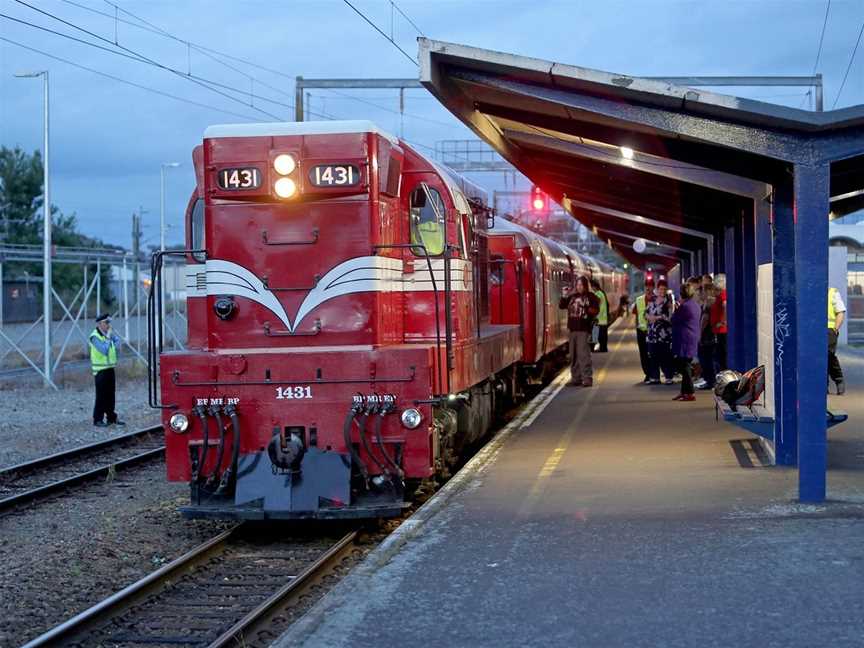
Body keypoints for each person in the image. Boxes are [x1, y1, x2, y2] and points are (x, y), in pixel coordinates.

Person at [560, 276, 600, 387]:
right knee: (573, 355)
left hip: (584, 329)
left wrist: (586, 308)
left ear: (586, 286)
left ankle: (587, 378)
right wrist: (564, 295)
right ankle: (576, 378)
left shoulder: (591, 297)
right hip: (572, 329)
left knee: (583, 355)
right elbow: (562, 305)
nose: (579, 287)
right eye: (577, 285)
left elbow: (596, 310)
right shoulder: (572, 297)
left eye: (581, 285)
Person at [90, 314, 125, 427]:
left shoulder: (107, 335)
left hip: (110, 368)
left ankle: (111, 418)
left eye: (109, 322)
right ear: (100, 324)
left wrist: (111, 339)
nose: (108, 325)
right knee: (101, 396)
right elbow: (104, 350)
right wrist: (109, 338)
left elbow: (118, 342)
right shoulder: (94, 337)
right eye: (106, 323)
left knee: (111, 395)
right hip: (100, 370)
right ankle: (97, 419)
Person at [671, 283, 701, 401]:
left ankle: (690, 393)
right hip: (691, 338)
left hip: (685, 339)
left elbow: (673, 319)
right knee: (685, 364)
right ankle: (684, 392)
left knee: (684, 365)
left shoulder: (685, 307)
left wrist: (676, 309)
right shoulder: (695, 305)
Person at [646, 279, 675, 384]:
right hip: (652, 333)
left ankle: (668, 377)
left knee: (665, 355)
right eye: (660, 289)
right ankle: (655, 377)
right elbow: (645, 313)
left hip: (664, 334)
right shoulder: (652, 300)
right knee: (653, 355)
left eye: (664, 289)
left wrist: (658, 317)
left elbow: (670, 317)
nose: (662, 291)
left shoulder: (668, 302)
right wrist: (649, 317)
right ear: (657, 289)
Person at [631, 280, 655, 383]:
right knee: (643, 354)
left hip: (654, 331)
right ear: (644, 288)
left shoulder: (657, 299)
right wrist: (637, 327)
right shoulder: (639, 300)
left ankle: (653, 374)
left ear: (653, 287)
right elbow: (636, 315)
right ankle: (647, 374)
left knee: (653, 354)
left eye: (650, 287)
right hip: (642, 331)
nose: (648, 289)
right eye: (647, 287)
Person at [828, 286, 847, 395]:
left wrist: (836, 328)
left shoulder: (832, 292)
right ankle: (823, 385)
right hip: (813, 330)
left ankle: (838, 379)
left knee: (828, 355)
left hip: (829, 330)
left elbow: (840, 312)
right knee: (817, 357)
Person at [710, 273, 728, 371]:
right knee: (719, 353)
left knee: (721, 353)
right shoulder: (719, 295)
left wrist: (722, 321)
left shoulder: (723, 294)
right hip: (718, 329)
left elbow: (725, 307)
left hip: (722, 330)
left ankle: (723, 372)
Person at [590, 278, 609, 353]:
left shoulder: (598, 294)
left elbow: (595, 304)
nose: (592, 288)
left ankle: (599, 348)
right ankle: (603, 348)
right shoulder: (601, 293)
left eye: (592, 287)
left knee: (596, 335)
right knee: (602, 336)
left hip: (598, 319)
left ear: (595, 287)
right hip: (602, 319)